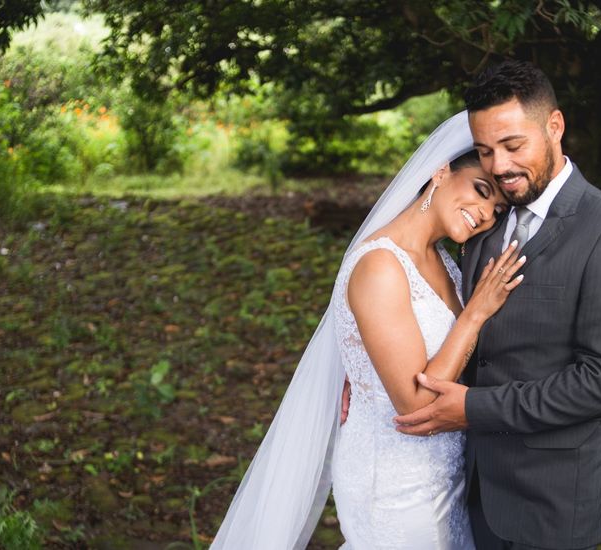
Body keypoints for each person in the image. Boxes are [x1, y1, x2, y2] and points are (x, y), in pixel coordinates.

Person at [209, 111, 523, 549]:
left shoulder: (446, 264)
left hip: (444, 475)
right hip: (392, 484)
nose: (486, 214)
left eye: (497, 209)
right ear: (440, 172)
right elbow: (414, 402)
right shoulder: (379, 266)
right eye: (480, 190)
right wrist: (475, 315)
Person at [394, 60, 601, 549]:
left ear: (554, 127)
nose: (499, 167)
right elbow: (454, 315)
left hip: (556, 498)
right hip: (472, 488)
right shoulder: (487, 219)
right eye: (484, 151)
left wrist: (475, 409)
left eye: (513, 146)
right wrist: (375, 368)